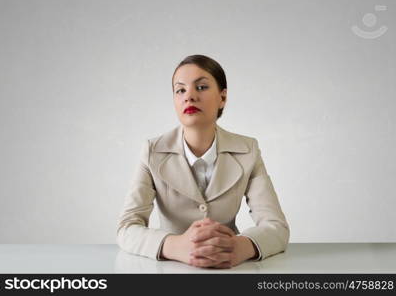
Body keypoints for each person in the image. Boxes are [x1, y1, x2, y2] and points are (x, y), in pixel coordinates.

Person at [116, 54, 290, 269]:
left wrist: (239, 247)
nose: (189, 96)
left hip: (231, 269)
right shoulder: (152, 151)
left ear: (223, 97)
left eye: (201, 87)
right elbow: (126, 228)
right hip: (170, 269)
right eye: (180, 90)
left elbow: (277, 227)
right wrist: (176, 246)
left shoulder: (248, 150)